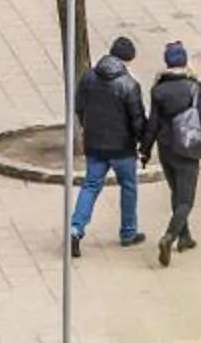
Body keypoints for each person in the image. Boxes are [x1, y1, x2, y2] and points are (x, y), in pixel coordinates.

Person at [70, 33, 147, 254]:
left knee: (90, 186)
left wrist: (87, 128)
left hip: (94, 145)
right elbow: (137, 120)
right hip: (122, 148)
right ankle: (128, 233)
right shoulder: (129, 85)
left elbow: (79, 106)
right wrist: (143, 142)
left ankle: (76, 228)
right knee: (129, 187)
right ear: (128, 59)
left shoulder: (88, 77)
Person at [144, 40, 201, 263]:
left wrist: (145, 150)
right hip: (187, 148)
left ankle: (185, 237)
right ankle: (169, 237)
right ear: (185, 62)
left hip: (166, 148)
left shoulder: (158, 90)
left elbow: (152, 124)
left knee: (176, 192)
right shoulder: (195, 87)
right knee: (186, 200)